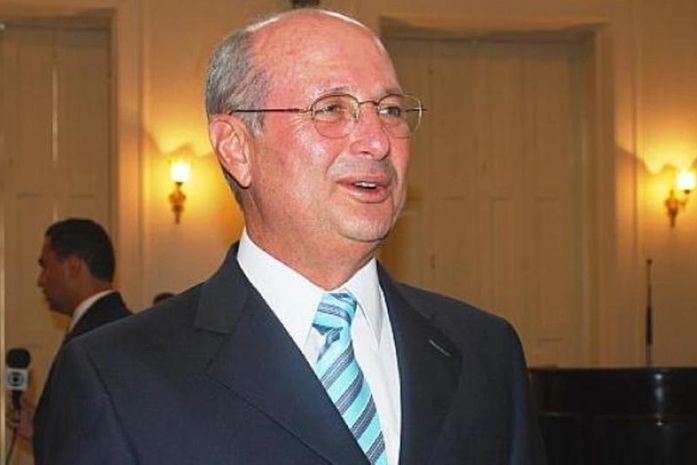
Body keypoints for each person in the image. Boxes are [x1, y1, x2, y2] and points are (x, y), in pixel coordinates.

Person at [34, 9, 545, 465]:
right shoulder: (118, 376)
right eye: (332, 108)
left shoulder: (485, 351)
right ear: (236, 148)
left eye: (390, 110)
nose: (377, 141)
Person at [32, 218, 132, 458]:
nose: (40, 280)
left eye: (45, 266)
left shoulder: (97, 337)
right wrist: (41, 430)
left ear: (74, 265)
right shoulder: (112, 326)